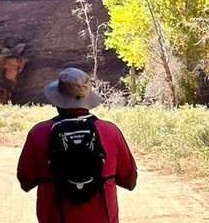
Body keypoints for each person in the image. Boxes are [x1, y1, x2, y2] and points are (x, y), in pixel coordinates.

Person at [17, 67, 137, 223]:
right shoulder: (110, 131)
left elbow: (26, 182)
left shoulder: (39, 132)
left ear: (58, 100)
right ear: (87, 98)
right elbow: (129, 182)